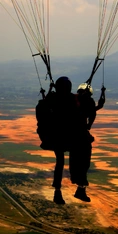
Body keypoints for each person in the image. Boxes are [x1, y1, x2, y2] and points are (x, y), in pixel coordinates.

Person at [36, 76, 80, 204]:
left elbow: (43, 108)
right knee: (76, 155)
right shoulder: (72, 99)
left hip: (56, 137)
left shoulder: (52, 98)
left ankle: (58, 190)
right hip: (65, 136)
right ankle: (78, 184)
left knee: (60, 161)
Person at [69, 83, 106, 202]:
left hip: (72, 138)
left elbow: (94, 108)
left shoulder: (72, 102)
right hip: (81, 138)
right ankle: (80, 189)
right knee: (84, 162)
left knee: (76, 161)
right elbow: (94, 110)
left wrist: (101, 97)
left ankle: (80, 188)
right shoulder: (84, 104)